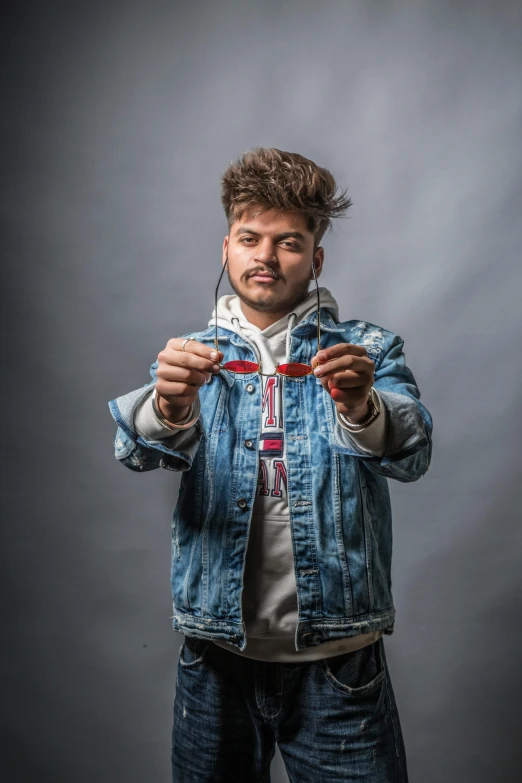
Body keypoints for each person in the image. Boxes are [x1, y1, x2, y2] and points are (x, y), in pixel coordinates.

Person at [108, 147, 433, 782]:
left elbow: (412, 451)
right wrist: (169, 405)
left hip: (340, 661)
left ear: (316, 258)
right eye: (249, 238)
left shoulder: (365, 349)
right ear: (225, 249)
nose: (265, 256)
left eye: (288, 242)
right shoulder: (189, 355)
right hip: (215, 656)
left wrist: (364, 405)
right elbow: (137, 452)